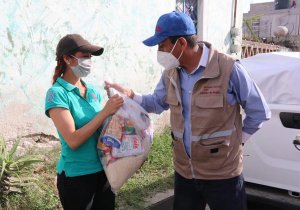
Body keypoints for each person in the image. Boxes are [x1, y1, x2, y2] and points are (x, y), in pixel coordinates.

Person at [106, 12, 271, 210]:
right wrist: (131, 95)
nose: (160, 52)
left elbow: (259, 111)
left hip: (223, 174)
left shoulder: (228, 69)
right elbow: (157, 103)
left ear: (181, 43)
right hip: (185, 173)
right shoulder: (171, 73)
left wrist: (238, 141)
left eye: (162, 46)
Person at [45, 34, 123, 210]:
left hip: (103, 171)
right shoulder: (56, 94)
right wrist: (104, 113)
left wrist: (116, 116)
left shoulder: (93, 91)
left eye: (90, 57)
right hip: (77, 177)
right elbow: (73, 140)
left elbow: (100, 128)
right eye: (84, 56)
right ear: (67, 58)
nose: (89, 61)